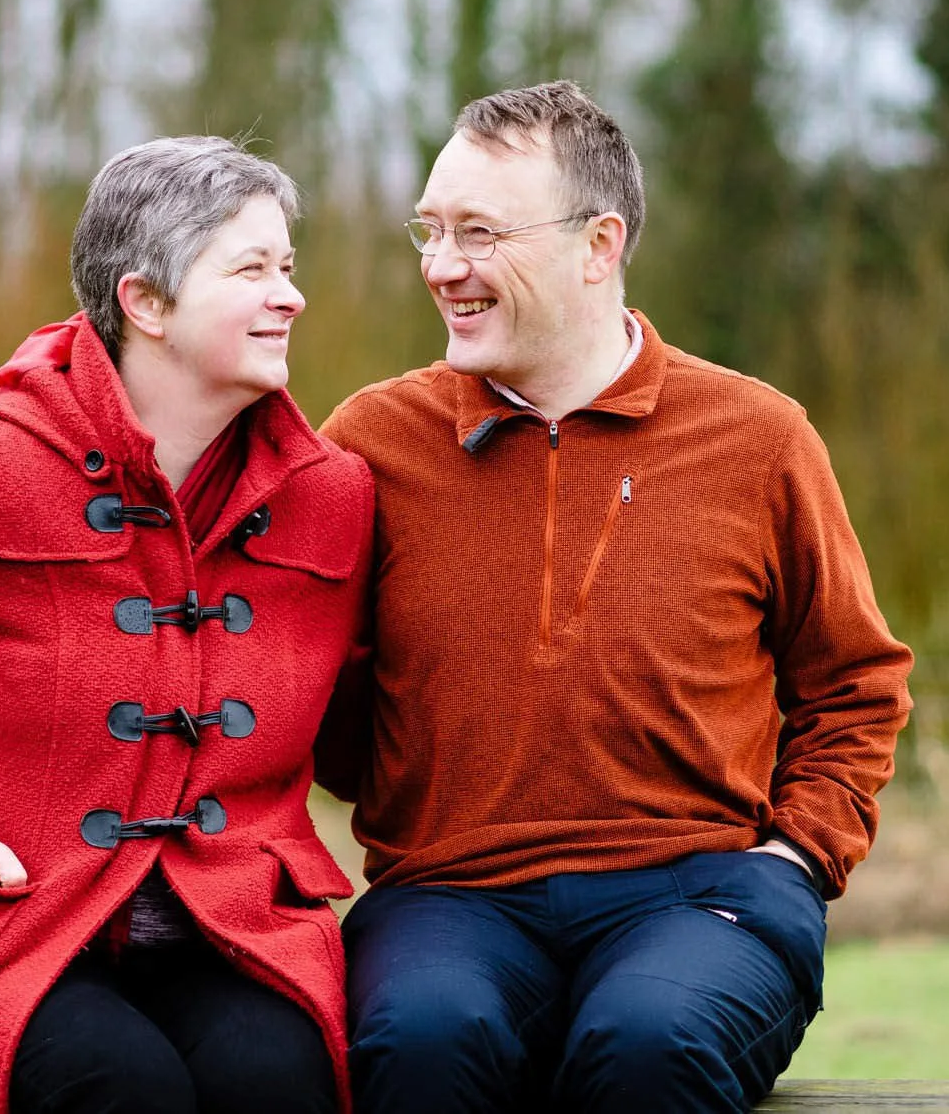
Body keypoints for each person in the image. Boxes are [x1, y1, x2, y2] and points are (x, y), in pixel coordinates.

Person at [314, 80, 914, 1114]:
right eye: (431, 227)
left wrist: (797, 857)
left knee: (648, 1044)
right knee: (416, 1043)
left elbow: (856, 683)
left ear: (599, 244)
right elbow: (281, 677)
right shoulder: (367, 445)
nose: (440, 264)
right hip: (447, 900)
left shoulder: (759, 437)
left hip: (700, 893)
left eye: (479, 232)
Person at [0, 137, 372, 1114]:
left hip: (236, 930)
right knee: (120, 1090)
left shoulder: (332, 497)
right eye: (253, 269)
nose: (290, 295)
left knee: (278, 1082)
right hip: (15, 931)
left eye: (289, 266)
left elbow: (376, 715)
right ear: (145, 302)